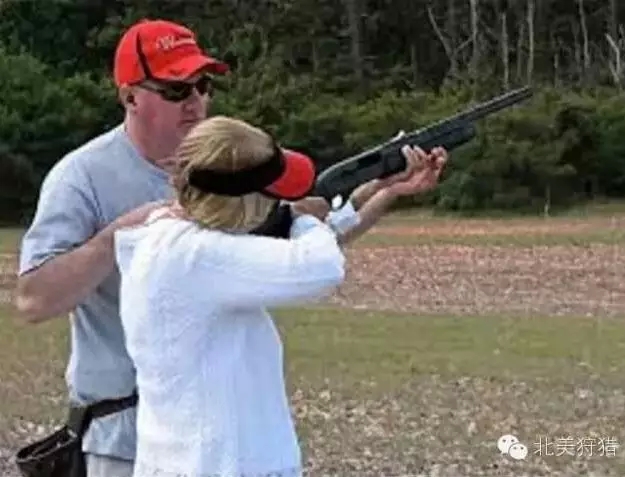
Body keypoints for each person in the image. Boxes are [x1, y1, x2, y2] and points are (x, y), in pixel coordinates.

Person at [14, 17, 448, 477]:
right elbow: (34, 299)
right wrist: (122, 235)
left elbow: (291, 240)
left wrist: (383, 189)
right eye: (176, 90)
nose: (195, 101)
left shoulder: (226, 160)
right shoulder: (80, 177)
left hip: (216, 435)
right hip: (119, 433)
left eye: (203, 86)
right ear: (130, 97)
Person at [113, 115, 444, 477]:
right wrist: (303, 217)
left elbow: (322, 235)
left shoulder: (176, 243)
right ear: (244, 201)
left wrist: (384, 188)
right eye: (271, 197)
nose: (279, 204)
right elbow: (320, 265)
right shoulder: (193, 256)